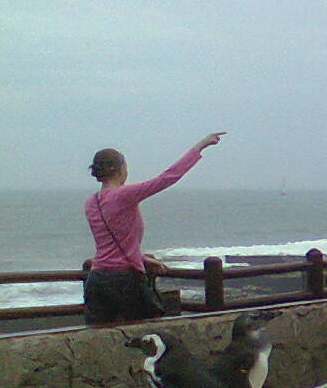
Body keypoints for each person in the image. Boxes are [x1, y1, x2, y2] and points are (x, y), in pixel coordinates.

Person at [83, 133, 225, 325]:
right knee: (149, 332)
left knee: (99, 338)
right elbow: (167, 178)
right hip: (124, 279)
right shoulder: (124, 194)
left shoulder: (90, 202)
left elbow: (110, 245)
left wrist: (142, 258)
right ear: (119, 170)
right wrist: (200, 146)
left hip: (97, 279)